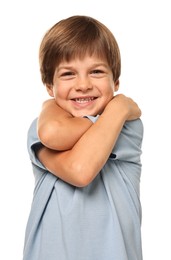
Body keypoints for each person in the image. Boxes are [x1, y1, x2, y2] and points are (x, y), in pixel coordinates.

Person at [23, 15, 143, 260]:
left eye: (96, 71)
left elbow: (80, 166)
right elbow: (76, 166)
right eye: (68, 74)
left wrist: (119, 113)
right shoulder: (40, 130)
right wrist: (120, 106)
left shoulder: (127, 127)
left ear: (115, 81)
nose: (83, 84)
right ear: (49, 86)